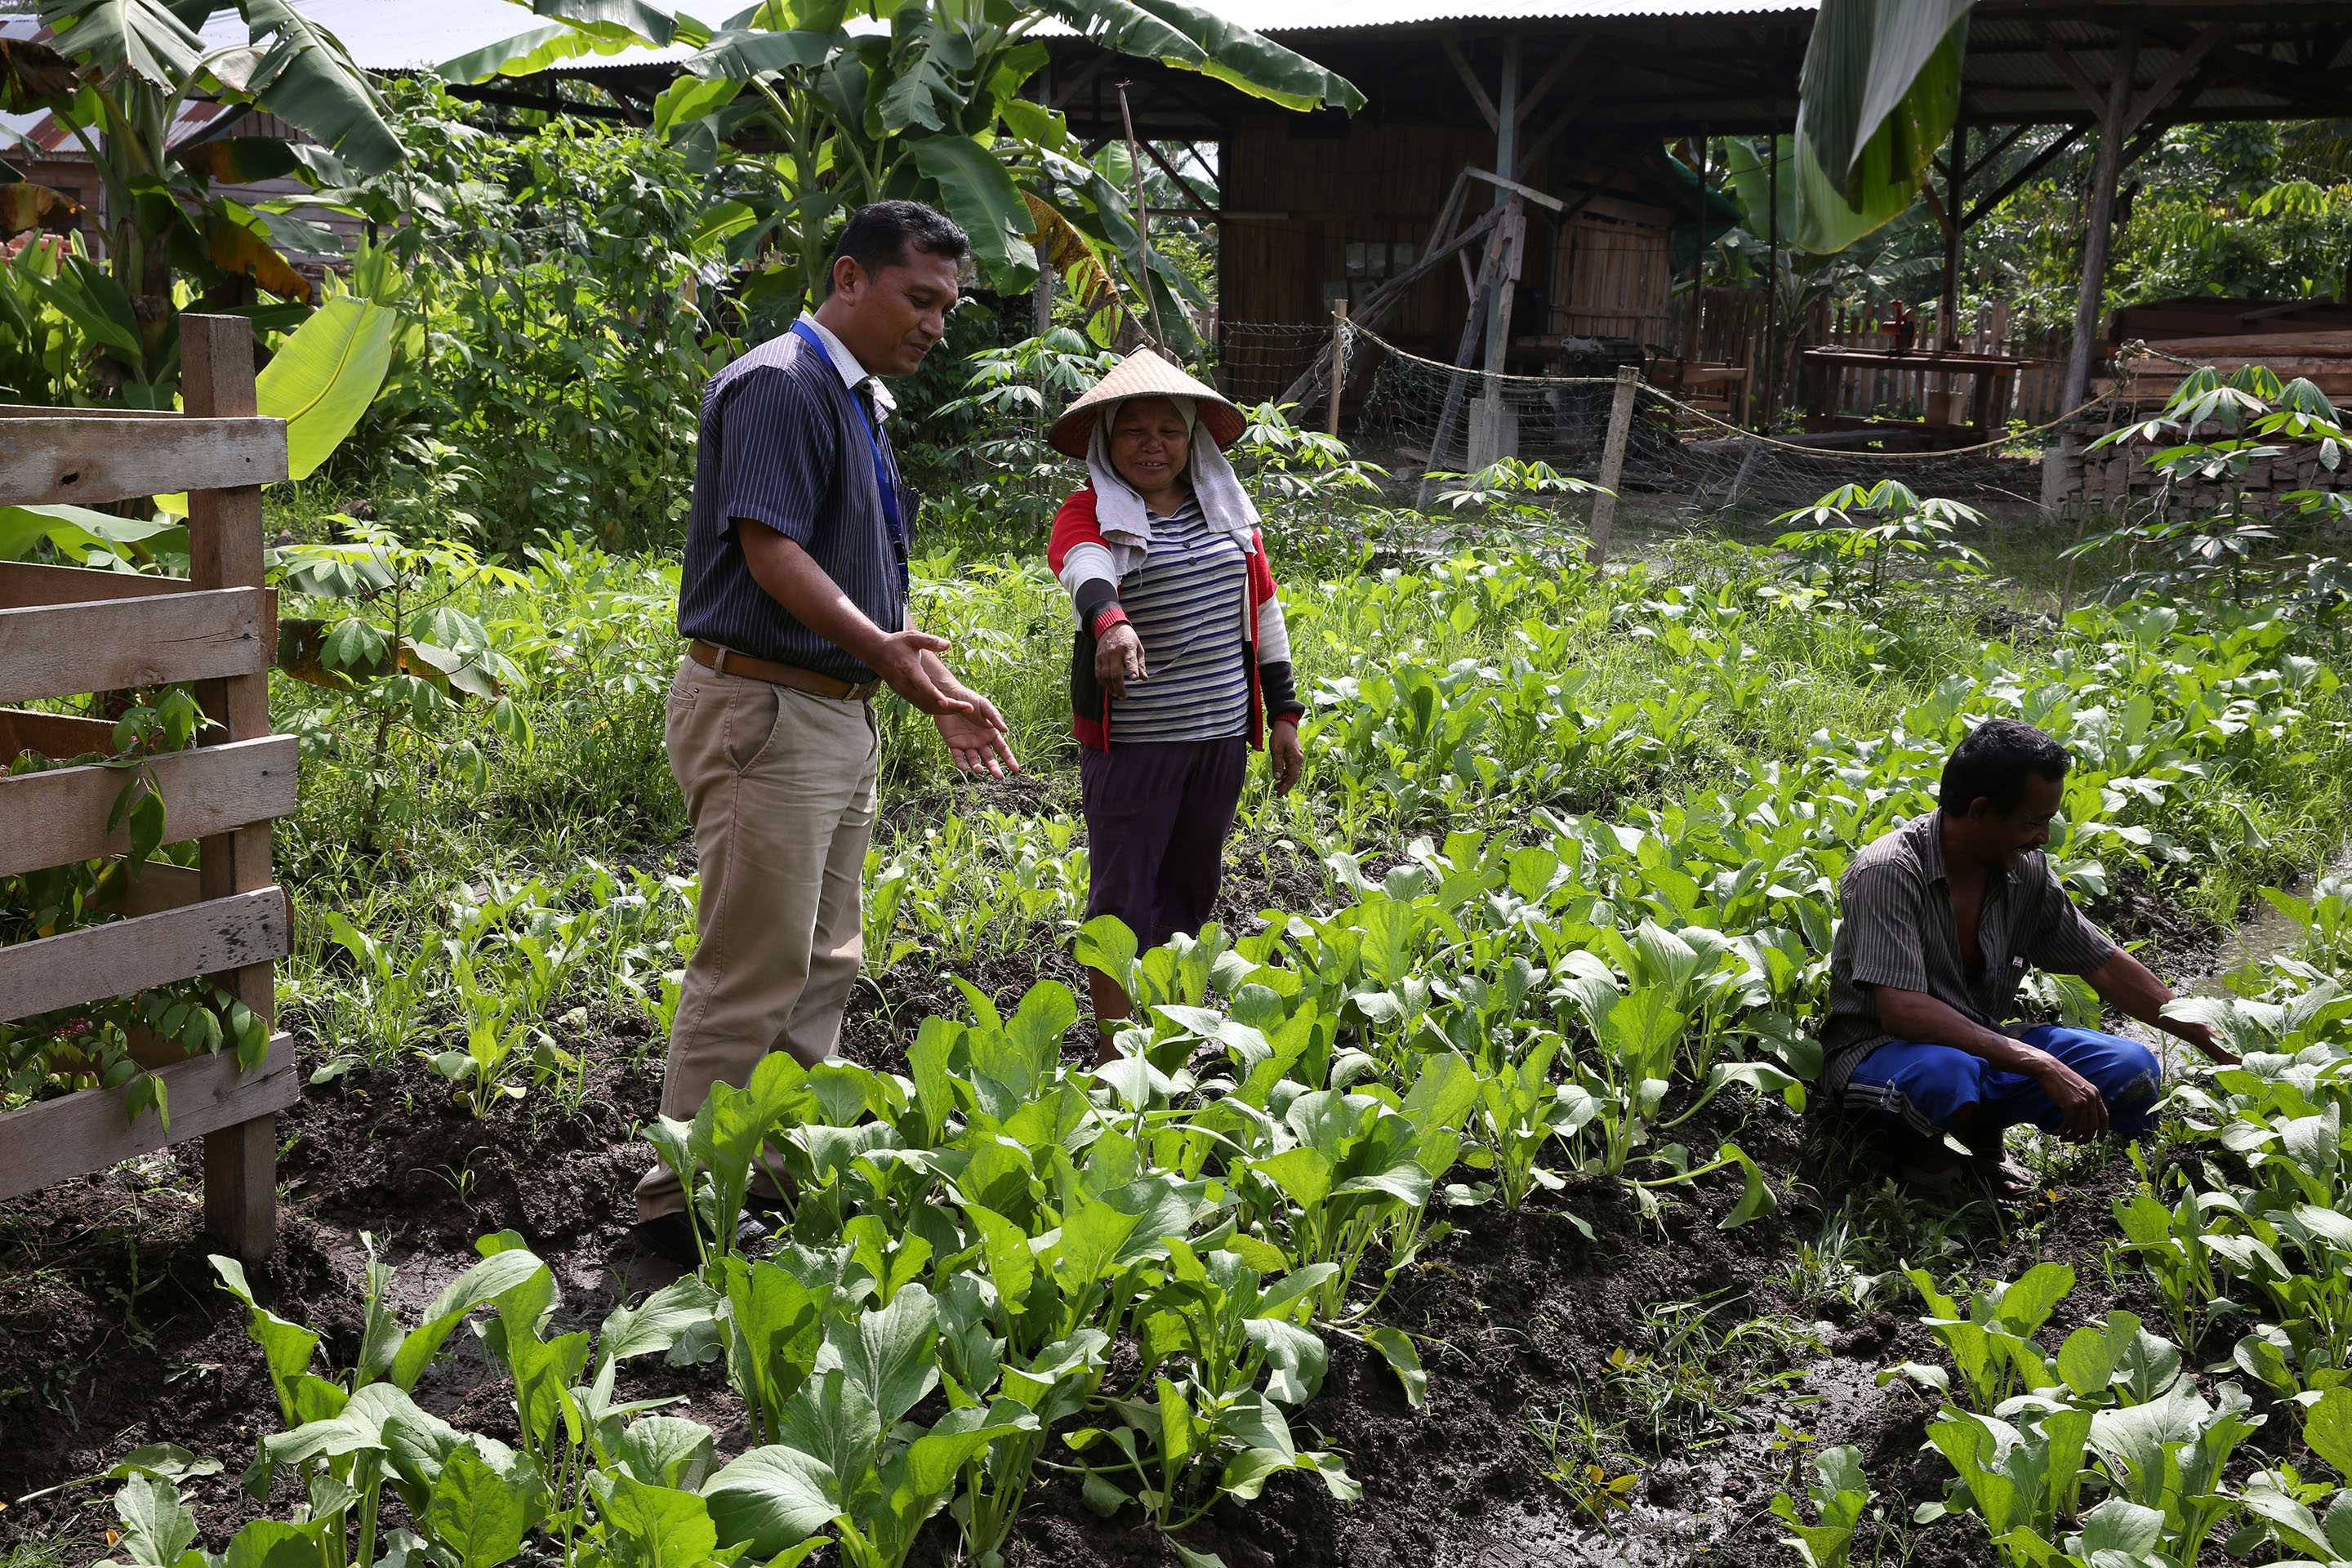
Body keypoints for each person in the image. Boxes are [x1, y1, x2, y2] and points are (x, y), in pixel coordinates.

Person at [633, 201, 1019, 1264]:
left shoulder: (862, 402)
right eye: (920, 297)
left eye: (951, 303)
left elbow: (858, 585)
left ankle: (768, 1176)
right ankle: (685, 1206)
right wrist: (886, 654)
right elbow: (772, 553)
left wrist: (920, 678)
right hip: (766, 708)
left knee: (822, 961)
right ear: (850, 278)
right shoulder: (779, 384)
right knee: (753, 963)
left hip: (830, 712)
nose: (939, 321)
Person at [1821, 717, 2235, 1196]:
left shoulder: (2025, 873)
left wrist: (2212, 1041)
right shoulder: (1888, 872)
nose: (2043, 838)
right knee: (1946, 1075)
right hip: (1881, 1058)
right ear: (1980, 811)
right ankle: (1926, 1160)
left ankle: (1991, 1144)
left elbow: (2103, 963)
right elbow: (1905, 1012)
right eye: (2032, 823)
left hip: (1984, 1045)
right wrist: (2040, 1064)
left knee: (2132, 1066)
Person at [1043, 349, 1308, 1060]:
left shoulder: (1228, 516)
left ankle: (1165, 1040)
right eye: (1134, 432)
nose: (1152, 444)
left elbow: (1265, 614)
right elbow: (1084, 568)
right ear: (1107, 443)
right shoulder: (1089, 513)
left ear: (1192, 438)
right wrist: (1111, 623)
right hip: (1135, 747)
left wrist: (1284, 717)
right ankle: (1113, 1056)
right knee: (1122, 899)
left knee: (1191, 888)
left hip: (1218, 741)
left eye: (1168, 429)